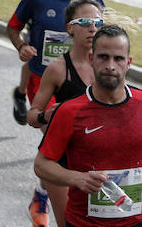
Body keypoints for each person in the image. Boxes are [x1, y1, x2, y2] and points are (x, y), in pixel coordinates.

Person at [7, 0, 104, 227]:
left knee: (80, 143)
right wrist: (21, 47)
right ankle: (45, 196)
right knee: (58, 143)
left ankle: (54, 192)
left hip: (83, 78)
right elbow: (13, 27)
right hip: (44, 79)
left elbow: (104, 33)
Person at [35, 25, 142, 227]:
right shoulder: (69, 111)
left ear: (128, 63)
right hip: (84, 223)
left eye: (118, 58)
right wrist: (77, 178)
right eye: (103, 57)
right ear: (91, 59)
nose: (111, 65)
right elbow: (41, 165)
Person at [27, 0, 104, 227]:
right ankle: (41, 198)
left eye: (98, 22)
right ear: (70, 27)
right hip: (63, 161)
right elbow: (32, 115)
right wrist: (45, 116)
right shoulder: (58, 68)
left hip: (99, 158)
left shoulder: (109, 65)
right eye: (85, 22)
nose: (92, 27)